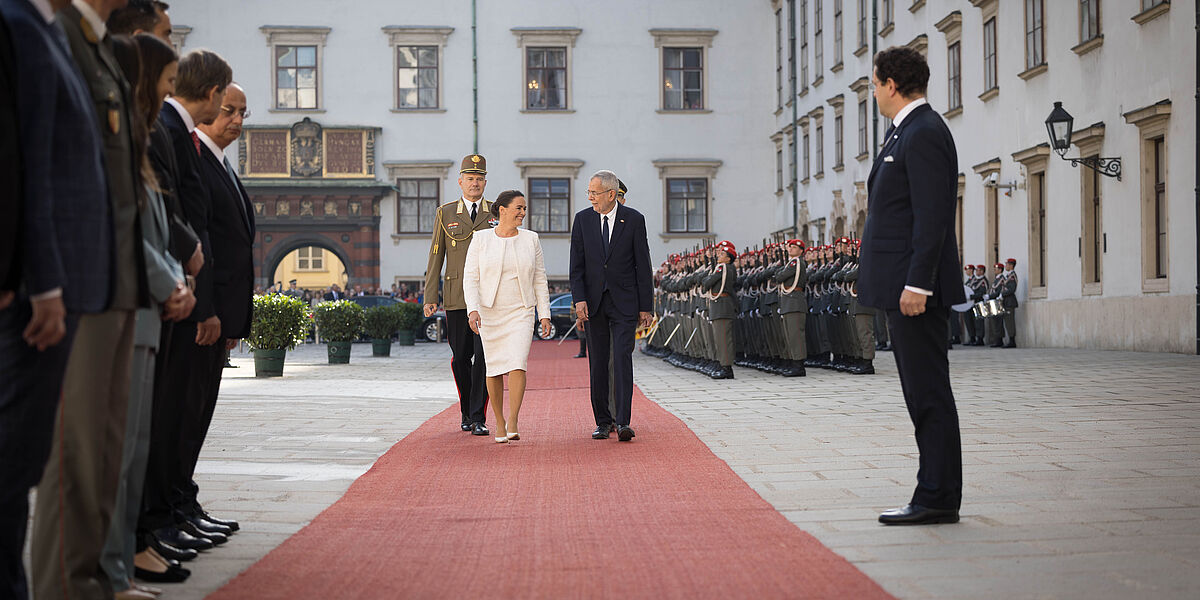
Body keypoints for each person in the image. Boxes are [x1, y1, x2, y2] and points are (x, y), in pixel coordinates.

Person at [32, 1, 157, 597]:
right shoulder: (59, 36)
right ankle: (64, 585)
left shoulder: (99, 46)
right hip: (81, 282)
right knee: (75, 455)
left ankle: (93, 581)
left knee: (106, 452)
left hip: (116, 281)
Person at [0, 0, 112, 596]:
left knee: (20, 462)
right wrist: (43, 281)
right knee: (12, 463)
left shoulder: (45, 29)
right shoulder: (19, 25)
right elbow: (28, 164)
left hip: (59, 281)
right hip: (37, 293)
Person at [859, 46, 964, 525]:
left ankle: (937, 496)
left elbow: (932, 215)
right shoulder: (904, 131)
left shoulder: (923, 132)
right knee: (921, 395)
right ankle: (934, 491)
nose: (874, 93)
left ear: (891, 84)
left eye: (874, 84)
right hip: (900, 285)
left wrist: (918, 283)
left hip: (914, 291)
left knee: (928, 395)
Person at [140, 47, 233, 561]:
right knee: (168, 417)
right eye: (231, 106)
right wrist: (202, 300)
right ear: (213, 93)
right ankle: (158, 519)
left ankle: (174, 509)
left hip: (185, 289)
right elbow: (171, 209)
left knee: (182, 416)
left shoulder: (183, 135)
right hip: (176, 292)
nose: (234, 117)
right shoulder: (168, 130)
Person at [181, 81, 254, 541]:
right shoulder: (197, 159)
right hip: (199, 317)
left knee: (196, 416)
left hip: (218, 318)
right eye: (229, 110)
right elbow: (201, 241)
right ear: (207, 104)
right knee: (183, 415)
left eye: (243, 112)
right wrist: (207, 309)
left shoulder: (220, 162)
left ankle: (183, 502)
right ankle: (172, 509)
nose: (237, 120)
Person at [570, 170, 653, 442]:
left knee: (622, 359)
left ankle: (623, 421)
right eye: (589, 192)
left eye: (595, 193)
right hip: (594, 304)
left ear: (611, 194)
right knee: (598, 363)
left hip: (625, 303)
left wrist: (646, 306)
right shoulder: (583, 220)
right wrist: (579, 299)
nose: (590, 197)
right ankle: (603, 422)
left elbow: (643, 264)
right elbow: (576, 266)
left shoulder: (634, 220)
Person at [462, 190, 551, 443]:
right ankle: (499, 421)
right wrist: (473, 309)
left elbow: (539, 278)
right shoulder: (480, 239)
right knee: (494, 367)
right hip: (490, 312)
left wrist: (544, 314)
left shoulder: (531, 239)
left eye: (524, 208)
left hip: (522, 310)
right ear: (502, 210)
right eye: (518, 208)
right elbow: (471, 277)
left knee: (517, 362)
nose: (523, 213)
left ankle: (513, 419)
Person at [424, 155, 494, 436]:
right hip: (457, 297)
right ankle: (466, 409)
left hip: (487, 299)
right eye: (470, 179)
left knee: (484, 358)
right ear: (460, 182)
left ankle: (478, 416)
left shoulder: (495, 213)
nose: (475, 183)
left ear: (485, 182)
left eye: (479, 179)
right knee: (461, 357)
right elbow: (435, 255)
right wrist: (431, 295)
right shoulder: (446, 213)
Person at [1000, 258, 1019, 348]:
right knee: (1007, 322)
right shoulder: (1008, 276)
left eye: (1007, 264)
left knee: (1010, 322)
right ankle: (1010, 340)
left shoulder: (1012, 276)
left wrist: (1002, 294)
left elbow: (1012, 289)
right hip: (1006, 301)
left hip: (1010, 301)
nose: (1005, 266)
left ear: (1011, 265)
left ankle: (1012, 341)